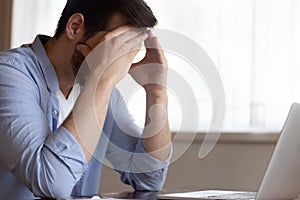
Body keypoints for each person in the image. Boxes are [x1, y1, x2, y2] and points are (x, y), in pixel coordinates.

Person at [0, 0, 172, 199]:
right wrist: (101, 82)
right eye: (117, 45)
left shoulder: (103, 91)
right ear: (75, 27)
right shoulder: (9, 74)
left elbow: (148, 179)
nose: (120, 62)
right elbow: (52, 184)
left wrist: (156, 92)